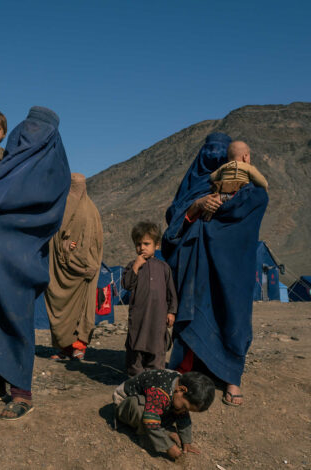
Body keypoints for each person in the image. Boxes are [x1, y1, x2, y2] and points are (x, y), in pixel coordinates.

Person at [0, 106, 70, 420]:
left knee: (15, 318)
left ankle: (22, 393)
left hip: (23, 258)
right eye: (26, 128)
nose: (28, 135)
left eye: (37, 130)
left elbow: (29, 204)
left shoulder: (52, 169)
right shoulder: (9, 162)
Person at [161, 134, 269, 407]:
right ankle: (185, 365)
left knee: (233, 314)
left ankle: (232, 376)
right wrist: (196, 207)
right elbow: (174, 220)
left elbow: (247, 208)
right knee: (194, 308)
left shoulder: (249, 187)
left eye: (220, 152)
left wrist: (220, 203)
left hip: (234, 263)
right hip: (196, 262)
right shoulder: (193, 185)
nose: (213, 155)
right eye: (208, 150)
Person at [45, 173, 103, 361]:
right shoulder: (60, 208)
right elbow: (53, 235)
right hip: (60, 272)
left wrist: (81, 259)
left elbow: (95, 243)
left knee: (82, 308)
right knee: (60, 306)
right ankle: (65, 348)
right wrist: (63, 248)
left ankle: (79, 347)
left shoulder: (91, 211)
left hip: (84, 271)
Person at [112, 369, 215, 460]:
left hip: (154, 405)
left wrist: (186, 441)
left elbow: (184, 415)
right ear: (182, 389)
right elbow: (150, 419)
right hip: (125, 405)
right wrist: (167, 446)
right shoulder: (159, 390)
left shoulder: (179, 390)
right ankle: (145, 436)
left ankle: (161, 430)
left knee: (177, 410)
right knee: (140, 407)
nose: (184, 411)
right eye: (185, 407)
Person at [122, 221, 177, 377]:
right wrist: (136, 267)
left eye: (147, 243)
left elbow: (171, 292)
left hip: (158, 316)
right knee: (136, 342)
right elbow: (126, 284)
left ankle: (155, 376)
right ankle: (135, 376)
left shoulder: (163, 267)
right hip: (139, 315)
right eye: (138, 244)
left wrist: (171, 312)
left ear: (156, 245)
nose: (142, 248)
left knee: (157, 342)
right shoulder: (132, 265)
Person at [203, 140, 268, 221]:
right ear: (245, 156)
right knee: (235, 197)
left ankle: (217, 203)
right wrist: (264, 189)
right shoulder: (248, 167)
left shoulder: (224, 167)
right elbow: (262, 182)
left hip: (222, 190)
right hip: (237, 193)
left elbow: (212, 177)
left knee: (217, 204)